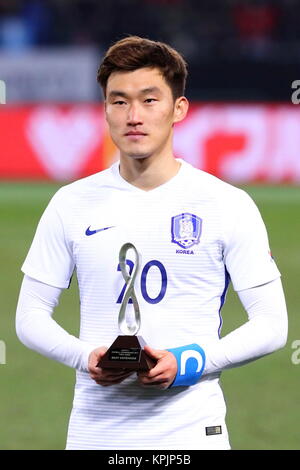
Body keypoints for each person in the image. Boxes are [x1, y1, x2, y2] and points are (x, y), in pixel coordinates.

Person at [16, 36, 288, 450]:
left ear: (179, 109)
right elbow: (30, 315)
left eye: (149, 99)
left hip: (192, 435)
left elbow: (272, 325)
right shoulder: (69, 204)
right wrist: (83, 356)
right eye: (119, 101)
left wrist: (190, 361)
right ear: (105, 109)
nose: (133, 116)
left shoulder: (228, 204)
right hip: (95, 434)